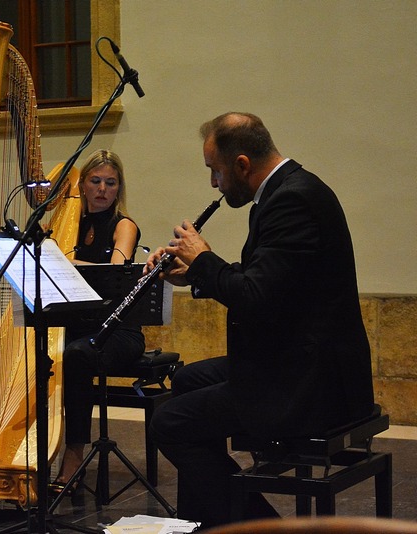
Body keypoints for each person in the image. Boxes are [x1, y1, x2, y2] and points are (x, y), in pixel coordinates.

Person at [146, 112, 374, 527]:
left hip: (314, 385)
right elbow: (272, 284)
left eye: (214, 172)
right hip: (301, 362)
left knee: (169, 423)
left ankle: (256, 524)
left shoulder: (292, 200)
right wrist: (194, 274)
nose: (213, 184)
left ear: (242, 165)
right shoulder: (289, 191)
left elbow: (254, 297)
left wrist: (204, 260)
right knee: (185, 380)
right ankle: (213, 520)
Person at [50, 149, 145, 498]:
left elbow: (116, 271)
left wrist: (65, 261)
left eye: (111, 182)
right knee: (37, 355)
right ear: (82, 186)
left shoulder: (124, 225)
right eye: (95, 181)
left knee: (76, 356)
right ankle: (30, 453)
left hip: (119, 331)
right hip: (78, 326)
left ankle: (74, 454)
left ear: (119, 189)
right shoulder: (67, 227)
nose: (103, 189)